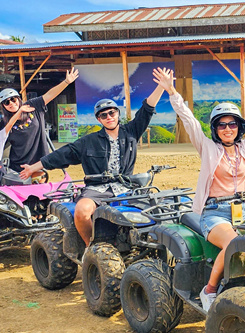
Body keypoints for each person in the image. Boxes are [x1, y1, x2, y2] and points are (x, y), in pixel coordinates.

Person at [156, 67, 245, 311]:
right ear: (215, 129)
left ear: (239, 126)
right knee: (234, 243)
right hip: (215, 213)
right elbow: (189, 120)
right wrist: (171, 91)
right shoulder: (208, 148)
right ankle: (209, 290)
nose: (227, 128)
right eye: (221, 125)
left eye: (232, 124)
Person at [19, 75, 167, 246]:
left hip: (127, 187)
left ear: (117, 113)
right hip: (98, 188)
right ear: (99, 119)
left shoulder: (131, 132)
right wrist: (32, 168)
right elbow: (60, 155)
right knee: (81, 212)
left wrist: (162, 87)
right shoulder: (89, 141)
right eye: (104, 115)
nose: (109, 117)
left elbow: (146, 110)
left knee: (157, 210)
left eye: (112, 112)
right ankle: (91, 248)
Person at [0, 66, 79, 177]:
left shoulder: (33, 105)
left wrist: (66, 82)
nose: (11, 103)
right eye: (7, 102)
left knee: (39, 189)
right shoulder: (5, 122)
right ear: (3, 106)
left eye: (13, 99)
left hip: (39, 163)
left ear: (18, 99)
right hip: (18, 167)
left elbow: (49, 95)